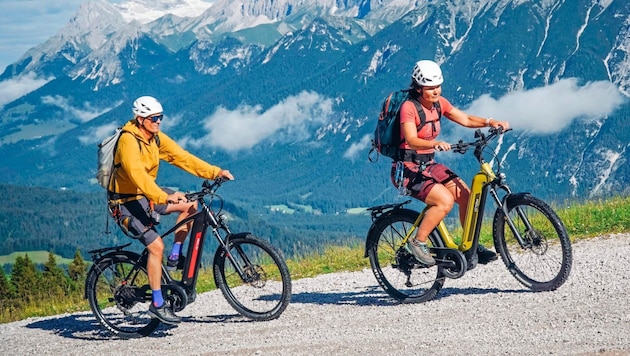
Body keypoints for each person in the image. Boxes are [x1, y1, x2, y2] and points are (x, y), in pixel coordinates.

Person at [108, 95, 234, 325]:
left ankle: (175, 257)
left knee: (192, 206)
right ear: (140, 119)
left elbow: (182, 157)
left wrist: (215, 172)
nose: (158, 122)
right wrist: (163, 196)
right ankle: (157, 304)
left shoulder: (154, 138)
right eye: (153, 118)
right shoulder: (128, 141)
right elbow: (137, 176)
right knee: (156, 246)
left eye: (160, 117)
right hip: (125, 202)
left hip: (147, 195)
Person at [392, 60, 509, 266]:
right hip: (408, 169)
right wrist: (434, 142)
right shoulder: (409, 108)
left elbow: (464, 119)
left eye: (438, 86)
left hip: (428, 164)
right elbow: (410, 139)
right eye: (430, 88)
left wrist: (491, 122)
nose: (436, 91)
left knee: (465, 196)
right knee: (444, 201)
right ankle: (417, 242)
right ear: (418, 87)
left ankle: (470, 244)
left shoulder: (439, 104)